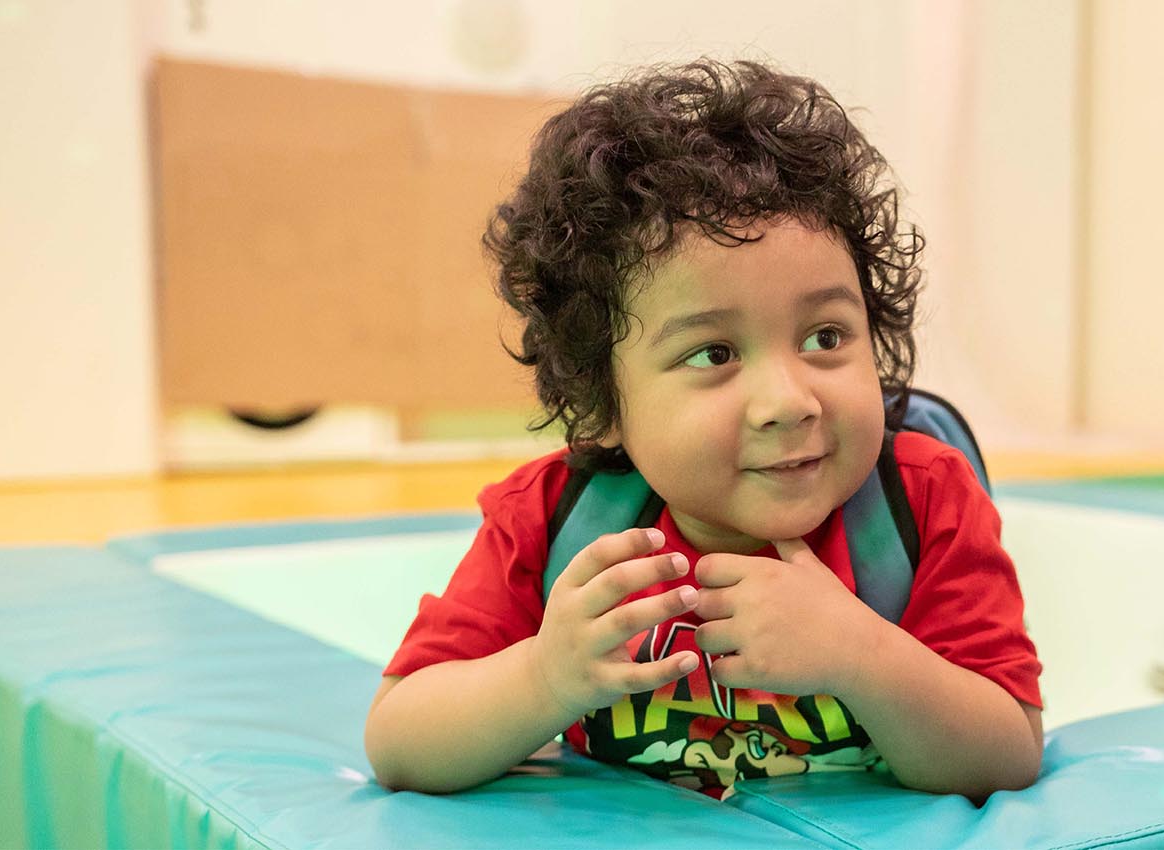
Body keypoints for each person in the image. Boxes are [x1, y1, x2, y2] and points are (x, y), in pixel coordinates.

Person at [363, 59, 1042, 800]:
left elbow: (1006, 753)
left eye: (824, 337)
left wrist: (861, 654)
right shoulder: (555, 523)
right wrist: (543, 678)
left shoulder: (921, 502)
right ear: (601, 403)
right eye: (714, 353)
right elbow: (400, 743)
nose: (788, 400)